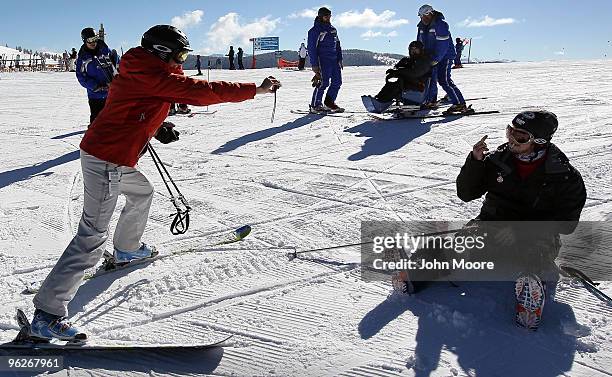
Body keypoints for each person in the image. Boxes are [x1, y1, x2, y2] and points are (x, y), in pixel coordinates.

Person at [29, 24, 281, 341]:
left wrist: (155, 125)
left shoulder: (141, 66)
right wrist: (254, 90)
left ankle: (127, 249)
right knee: (91, 236)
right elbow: (203, 92)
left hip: (113, 155)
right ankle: (47, 315)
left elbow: (136, 101)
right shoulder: (153, 73)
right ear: (163, 52)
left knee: (142, 192)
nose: (182, 61)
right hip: (107, 159)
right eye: (180, 55)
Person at [416, 4, 468, 113]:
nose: (423, 19)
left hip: (445, 56)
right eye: (421, 17)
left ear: (430, 14)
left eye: (425, 16)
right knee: (431, 77)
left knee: (444, 79)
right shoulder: (421, 26)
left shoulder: (440, 25)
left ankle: (459, 104)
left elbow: (442, 45)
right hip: (431, 56)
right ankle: (431, 101)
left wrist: (436, 59)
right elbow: (419, 42)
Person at [361, 40, 432, 113]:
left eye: (416, 49)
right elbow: (397, 68)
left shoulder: (424, 61)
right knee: (392, 82)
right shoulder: (407, 60)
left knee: (398, 83)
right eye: (412, 49)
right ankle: (379, 99)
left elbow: (415, 73)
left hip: (419, 87)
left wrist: (398, 72)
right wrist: (393, 72)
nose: (413, 51)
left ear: (421, 50)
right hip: (409, 84)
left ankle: (382, 102)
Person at [76, 27, 117, 125]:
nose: (93, 42)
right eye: (90, 40)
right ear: (84, 41)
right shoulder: (83, 58)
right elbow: (81, 76)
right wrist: (95, 86)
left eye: (95, 39)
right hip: (96, 95)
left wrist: (117, 81)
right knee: (96, 121)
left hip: (111, 92)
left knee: (114, 119)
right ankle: (93, 139)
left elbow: (117, 65)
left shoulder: (106, 51)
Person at [308, 7, 344, 113]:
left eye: (329, 16)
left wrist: (340, 58)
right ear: (320, 16)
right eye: (326, 16)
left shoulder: (333, 29)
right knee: (323, 83)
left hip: (334, 60)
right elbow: (311, 48)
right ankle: (315, 105)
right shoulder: (315, 31)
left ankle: (329, 103)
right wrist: (314, 64)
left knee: (337, 82)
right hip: (322, 60)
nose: (328, 18)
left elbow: (337, 45)